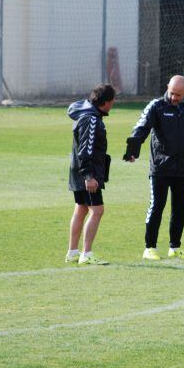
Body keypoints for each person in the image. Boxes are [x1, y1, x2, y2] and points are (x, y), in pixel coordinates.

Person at [126, 75, 184, 260]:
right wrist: (132, 150)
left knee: (180, 209)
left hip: (183, 168)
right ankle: (149, 247)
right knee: (157, 206)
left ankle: (175, 247)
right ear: (167, 87)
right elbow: (141, 127)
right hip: (160, 168)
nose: (174, 97)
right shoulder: (157, 106)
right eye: (172, 93)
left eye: (178, 94)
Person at [65, 84, 116, 265]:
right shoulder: (92, 119)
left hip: (78, 170)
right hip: (87, 173)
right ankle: (86, 253)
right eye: (112, 101)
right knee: (97, 210)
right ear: (107, 102)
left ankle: (72, 252)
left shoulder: (84, 113)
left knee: (81, 208)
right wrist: (89, 176)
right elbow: (86, 149)